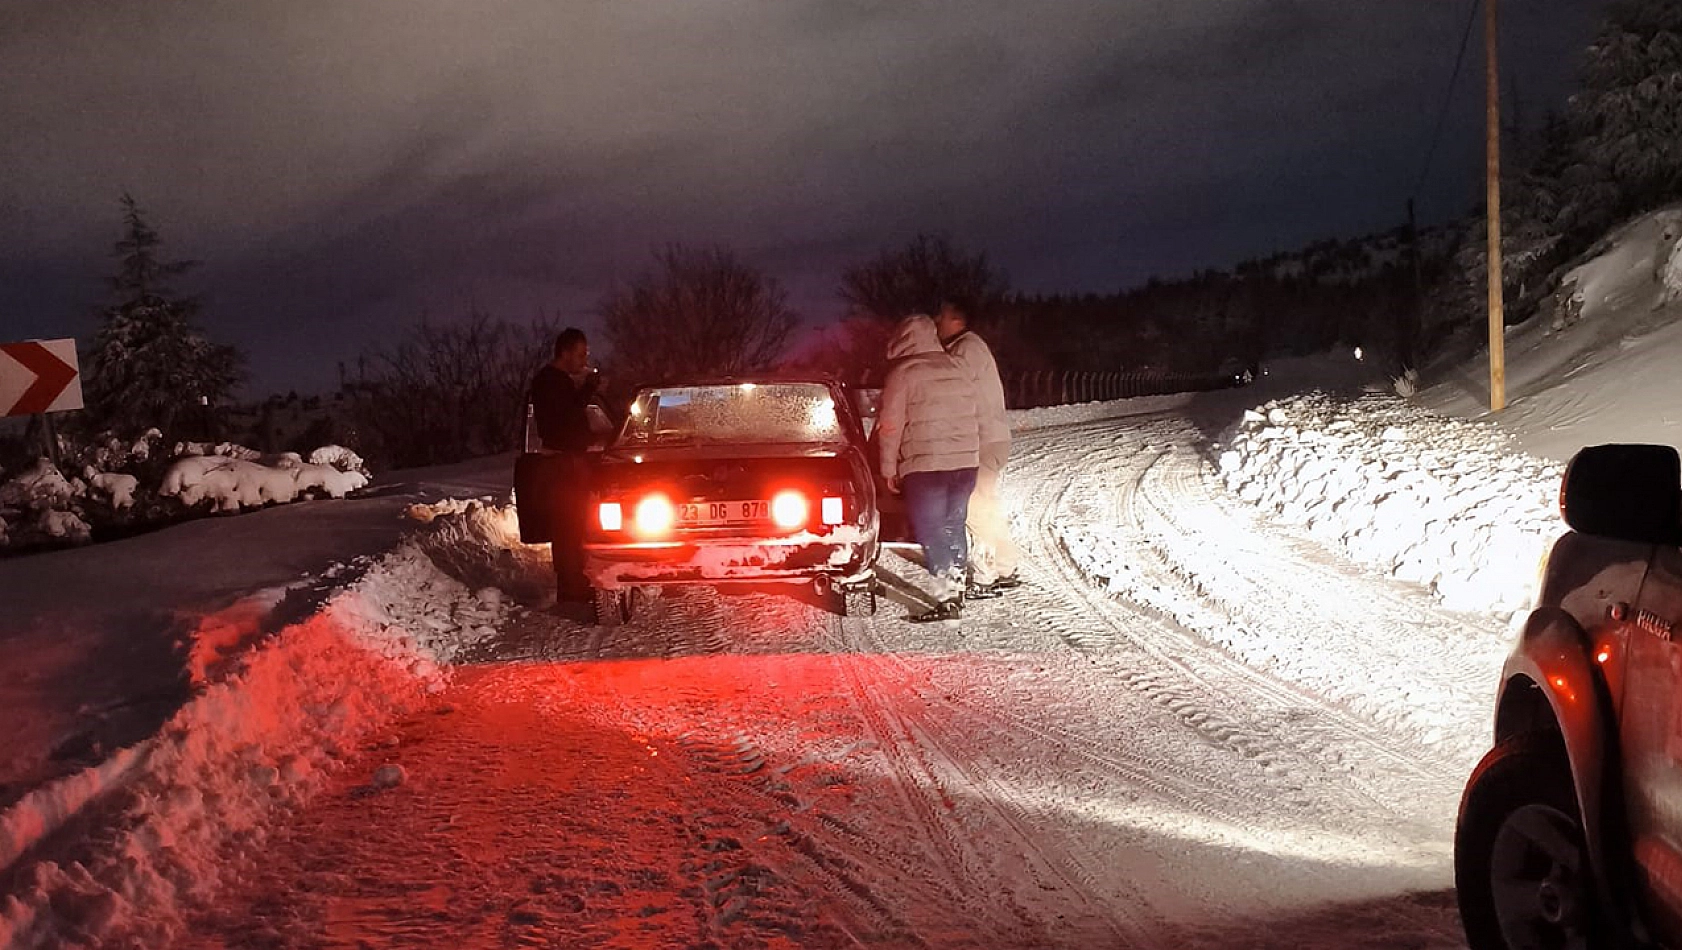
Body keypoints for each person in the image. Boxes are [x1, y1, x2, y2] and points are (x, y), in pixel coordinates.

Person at [878, 313, 981, 622]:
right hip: (966, 463)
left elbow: (890, 426)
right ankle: (958, 586)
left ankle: (948, 597)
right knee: (954, 522)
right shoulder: (958, 367)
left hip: (926, 466)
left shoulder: (904, 373)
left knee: (930, 528)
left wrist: (887, 467)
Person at [935, 295, 1022, 595]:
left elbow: (948, 391)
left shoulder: (965, 351)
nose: (937, 323)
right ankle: (1005, 566)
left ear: (958, 320)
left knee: (973, 508)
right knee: (986, 506)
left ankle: (985, 577)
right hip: (992, 438)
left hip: (981, 440)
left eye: (942, 317)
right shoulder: (973, 347)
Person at [530, 327, 607, 603]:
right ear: (564, 352)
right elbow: (567, 418)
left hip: (568, 460)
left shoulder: (556, 381)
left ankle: (574, 580)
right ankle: (570, 586)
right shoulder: (550, 382)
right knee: (567, 525)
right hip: (562, 464)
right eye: (580, 354)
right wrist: (588, 387)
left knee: (573, 524)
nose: (584, 360)